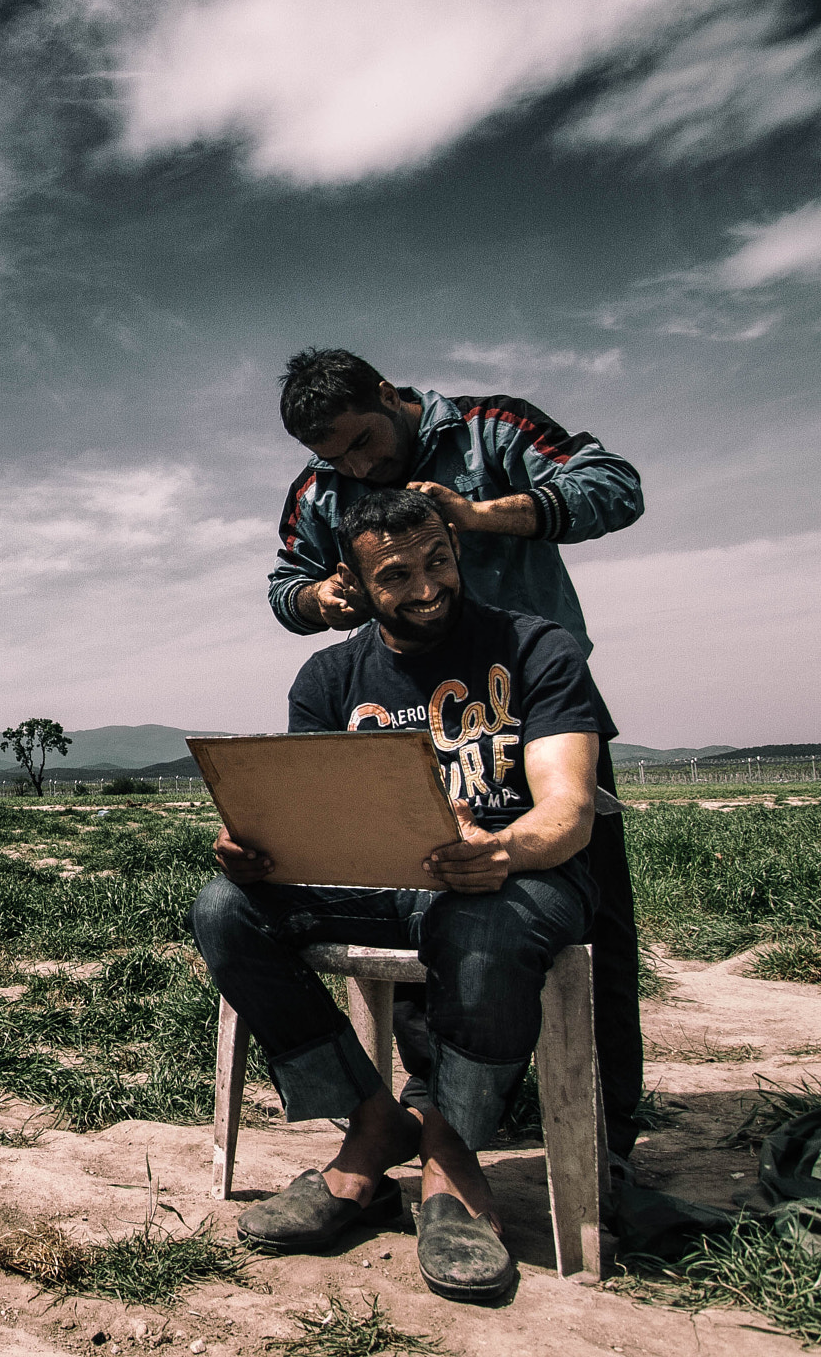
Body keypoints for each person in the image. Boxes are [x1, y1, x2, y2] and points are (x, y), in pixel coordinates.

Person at [196, 488, 615, 1301]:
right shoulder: (329, 675)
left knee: (478, 922)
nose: (427, 586)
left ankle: (452, 1162)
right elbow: (313, 821)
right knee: (223, 908)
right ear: (353, 585)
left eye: (439, 562)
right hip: (385, 885)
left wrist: (500, 847)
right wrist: (257, 852)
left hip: (517, 882)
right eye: (397, 575)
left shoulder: (536, 647)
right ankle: (371, 1120)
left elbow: (566, 814)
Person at [265, 347, 646, 1165]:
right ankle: (444, 1104)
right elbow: (285, 585)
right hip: (403, 710)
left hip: (536, 703)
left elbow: (616, 486)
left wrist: (480, 518)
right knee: (420, 897)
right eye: (337, 459)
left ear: (386, 394)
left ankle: (608, 1129)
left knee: (597, 923)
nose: (360, 466)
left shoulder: (491, 429)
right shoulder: (320, 488)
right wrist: (321, 598)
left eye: (364, 441)